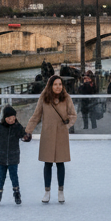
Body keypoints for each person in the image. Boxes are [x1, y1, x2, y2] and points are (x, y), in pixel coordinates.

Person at [25, 75, 76, 203]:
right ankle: (47, 192)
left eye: (60, 84)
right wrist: (28, 131)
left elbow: (73, 115)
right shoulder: (44, 98)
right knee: (47, 163)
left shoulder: (66, 98)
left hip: (61, 134)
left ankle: (60, 192)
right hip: (47, 134)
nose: (58, 87)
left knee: (60, 163)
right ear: (50, 86)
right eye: (55, 84)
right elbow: (36, 116)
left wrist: (66, 125)